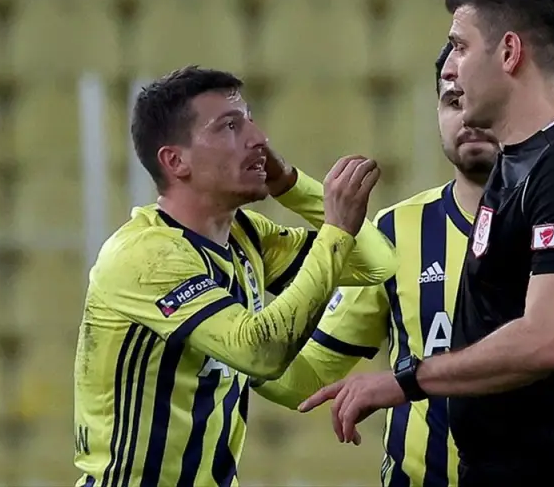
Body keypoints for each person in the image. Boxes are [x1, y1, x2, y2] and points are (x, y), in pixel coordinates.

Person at [300, 0, 554, 487]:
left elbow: (550, 340)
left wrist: (405, 382)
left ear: (509, 53)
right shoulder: (527, 150)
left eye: (460, 48)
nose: (451, 68)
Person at [72, 66, 397, 486]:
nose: (259, 138)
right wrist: (335, 231)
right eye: (230, 126)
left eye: (250, 120)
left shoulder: (246, 237)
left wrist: (291, 185)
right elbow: (260, 352)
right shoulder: (144, 256)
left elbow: (375, 265)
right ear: (175, 161)